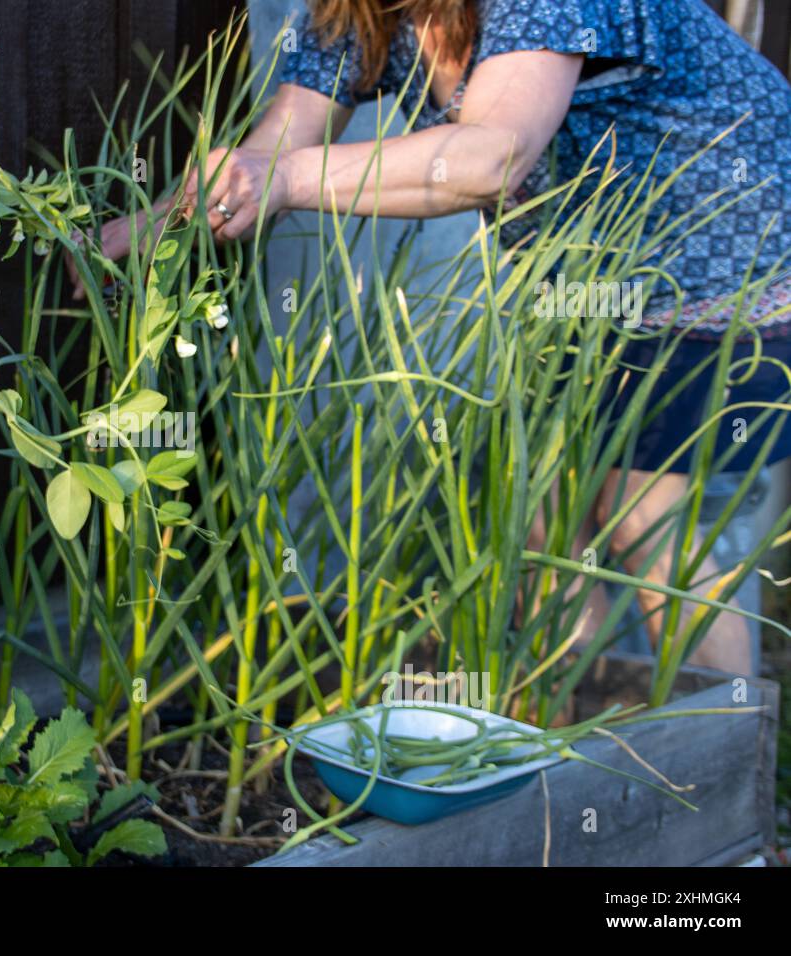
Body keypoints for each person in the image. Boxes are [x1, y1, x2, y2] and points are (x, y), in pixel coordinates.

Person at [75, 0, 791, 673]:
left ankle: (723, 775)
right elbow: (273, 147)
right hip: (588, 280)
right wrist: (148, 228)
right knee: (535, 519)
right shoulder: (361, 14)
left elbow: (492, 158)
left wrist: (284, 180)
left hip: (726, 259)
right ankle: (576, 760)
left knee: (649, 523)